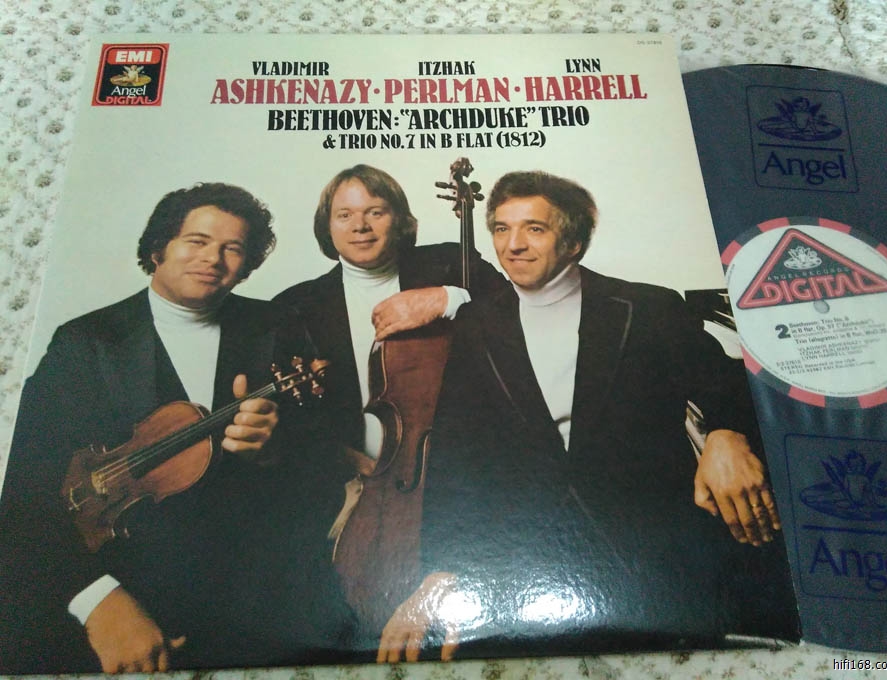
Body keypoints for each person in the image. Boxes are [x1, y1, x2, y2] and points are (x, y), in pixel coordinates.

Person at [378, 171, 799, 662]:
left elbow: (731, 382)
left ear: (574, 241)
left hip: (654, 559)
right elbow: (456, 454)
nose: (513, 245)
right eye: (501, 228)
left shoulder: (648, 307)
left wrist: (726, 434)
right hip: (532, 562)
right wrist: (441, 569)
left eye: (535, 228)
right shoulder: (476, 323)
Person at [0, 183, 352, 673]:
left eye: (232, 248)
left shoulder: (278, 327)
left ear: (247, 264)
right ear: (157, 249)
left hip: (255, 596)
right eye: (197, 241)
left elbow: (326, 460)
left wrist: (274, 451)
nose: (213, 258)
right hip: (125, 583)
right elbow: (24, 488)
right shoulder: (87, 342)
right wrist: (97, 600)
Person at [273, 164, 506, 641]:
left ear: (400, 220)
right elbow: (289, 421)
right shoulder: (293, 308)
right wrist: (337, 460)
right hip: (346, 488)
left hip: (458, 479)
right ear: (326, 226)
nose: (360, 226)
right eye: (345, 215)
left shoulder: (448, 264)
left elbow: (521, 310)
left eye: (375, 212)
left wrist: (448, 297)